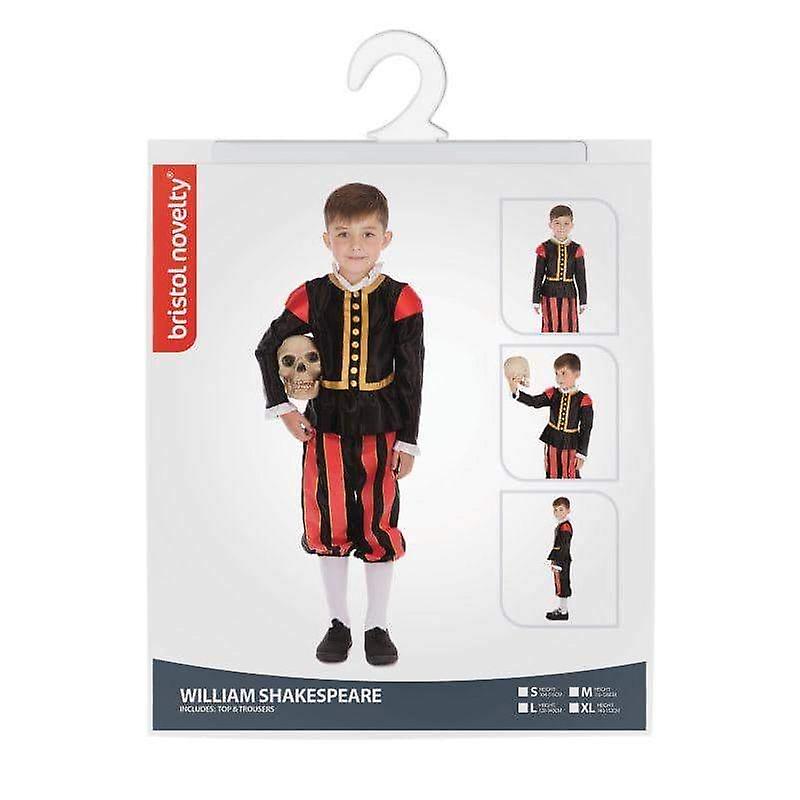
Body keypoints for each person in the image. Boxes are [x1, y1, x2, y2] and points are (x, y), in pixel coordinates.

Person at [255, 183, 424, 666]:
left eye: (368, 233)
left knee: (378, 520)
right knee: (327, 519)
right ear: (327, 238)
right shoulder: (311, 295)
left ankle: (377, 624)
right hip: (323, 425)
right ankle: (338, 622)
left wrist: (408, 440)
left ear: (385, 239)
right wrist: (284, 408)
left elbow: (412, 373)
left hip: (383, 425)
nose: (355, 245)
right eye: (343, 233)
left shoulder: (402, 299)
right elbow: (267, 348)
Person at [507, 353, 593, 479]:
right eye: (557, 373)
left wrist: (581, 453)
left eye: (563, 373)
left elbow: (586, 428)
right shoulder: (553, 393)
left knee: (570, 473)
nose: (559, 378)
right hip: (552, 439)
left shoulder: (584, 399)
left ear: (577, 374)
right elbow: (534, 402)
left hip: (571, 443)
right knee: (552, 471)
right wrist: (515, 390)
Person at [532, 205, 587, 333]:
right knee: (550, 325)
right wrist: (535, 299)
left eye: (566, 223)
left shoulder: (576, 249)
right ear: (550, 225)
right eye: (557, 223)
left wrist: (583, 300)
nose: (562, 227)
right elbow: (538, 276)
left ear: (572, 225)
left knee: (569, 325)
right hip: (548, 292)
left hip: (569, 293)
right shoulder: (544, 248)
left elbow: (581, 277)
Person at [545, 497, 573, 621]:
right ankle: (562, 609)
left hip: (562, 559)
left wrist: (558, 562)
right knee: (560, 584)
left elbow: (563, 545)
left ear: (568, 510)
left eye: (561, 509)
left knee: (562, 584)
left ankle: (563, 611)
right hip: (560, 559)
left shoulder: (565, 527)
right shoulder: (561, 525)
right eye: (555, 510)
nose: (558, 513)